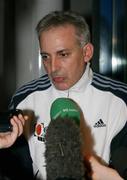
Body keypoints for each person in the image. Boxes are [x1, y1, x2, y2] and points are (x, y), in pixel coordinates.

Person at [1, 10, 127, 179]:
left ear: (86, 52)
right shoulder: (24, 99)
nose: (52, 67)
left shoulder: (120, 100)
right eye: (46, 56)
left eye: (63, 54)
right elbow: (14, 168)